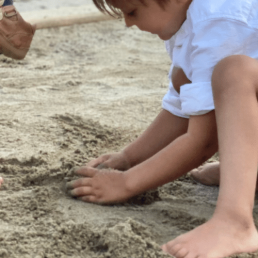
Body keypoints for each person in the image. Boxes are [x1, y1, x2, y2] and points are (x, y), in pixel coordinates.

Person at [66, 0, 258, 257]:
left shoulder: (218, 18)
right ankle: (248, 174)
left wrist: (126, 183)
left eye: (132, 11)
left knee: (233, 73)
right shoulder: (189, 22)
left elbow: (203, 140)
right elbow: (180, 110)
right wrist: (130, 158)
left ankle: (235, 221)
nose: (127, 22)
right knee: (185, 79)